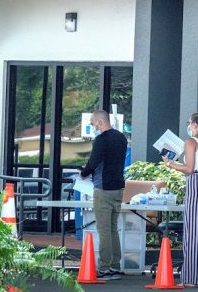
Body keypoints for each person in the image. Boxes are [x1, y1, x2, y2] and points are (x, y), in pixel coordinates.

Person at [161, 107, 198, 287]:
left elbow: (189, 169)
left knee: (194, 233)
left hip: (197, 185)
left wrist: (170, 164)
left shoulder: (190, 141)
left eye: (189, 123)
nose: (188, 126)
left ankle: (192, 279)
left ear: (195, 125)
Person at [80, 109, 128, 281]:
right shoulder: (121, 137)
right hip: (118, 187)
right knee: (113, 228)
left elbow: (93, 162)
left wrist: (83, 173)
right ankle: (115, 266)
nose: (93, 127)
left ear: (100, 122)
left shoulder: (101, 140)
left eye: (93, 124)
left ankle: (104, 267)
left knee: (104, 230)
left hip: (103, 188)